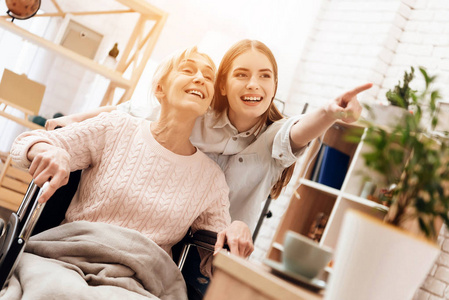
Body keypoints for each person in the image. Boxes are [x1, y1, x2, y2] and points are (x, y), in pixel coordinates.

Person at [45, 39, 371, 296]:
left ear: (274, 86)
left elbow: (299, 129)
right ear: (223, 85)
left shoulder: (275, 137)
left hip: (211, 253)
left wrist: (329, 113)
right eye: (241, 74)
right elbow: (132, 110)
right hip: (159, 238)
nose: (254, 84)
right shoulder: (196, 113)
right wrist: (73, 122)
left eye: (265, 76)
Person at [5, 46, 242, 299]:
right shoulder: (115, 127)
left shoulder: (211, 178)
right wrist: (51, 151)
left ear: (208, 103)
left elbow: (217, 260)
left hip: (141, 283)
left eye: (208, 77)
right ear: (159, 89)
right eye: (188, 70)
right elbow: (24, 143)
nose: (200, 78)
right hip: (64, 260)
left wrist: (236, 232)